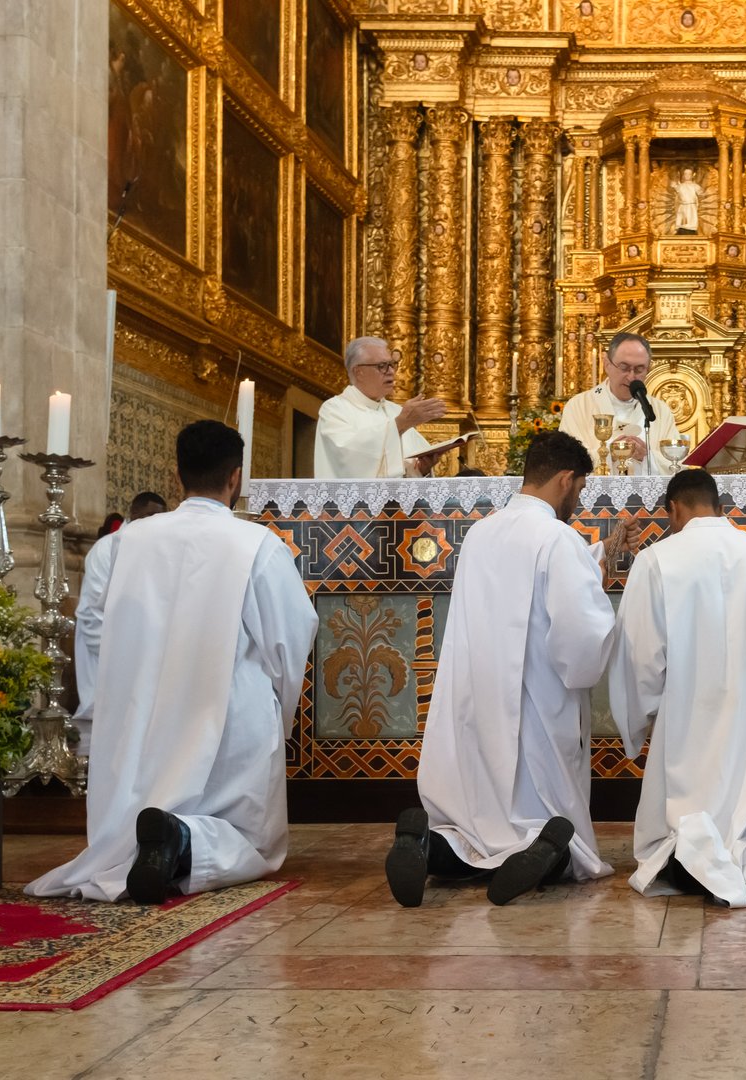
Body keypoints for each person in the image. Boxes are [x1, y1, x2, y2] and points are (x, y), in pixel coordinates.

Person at [28, 421, 317, 903]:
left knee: (134, 809)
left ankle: (153, 837)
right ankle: (183, 840)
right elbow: (289, 638)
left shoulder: (122, 543)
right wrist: (278, 715)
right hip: (226, 716)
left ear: (178, 472)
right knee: (256, 842)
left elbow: (93, 627)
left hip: (141, 714)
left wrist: (108, 705)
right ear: (236, 477)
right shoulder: (258, 546)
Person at [387, 431, 639, 907]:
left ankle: (431, 845)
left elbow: (528, 581)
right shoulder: (557, 538)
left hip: (476, 693)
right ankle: (546, 853)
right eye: (580, 490)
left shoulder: (482, 532)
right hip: (533, 699)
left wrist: (602, 553)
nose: (578, 503)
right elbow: (581, 632)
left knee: (476, 823)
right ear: (566, 479)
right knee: (543, 821)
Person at [608, 468, 746, 908]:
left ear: (674, 509)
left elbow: (642, 658)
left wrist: (636, 724)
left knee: (685, 805)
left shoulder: (657, 559)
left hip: (687, 719)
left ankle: (696, 858)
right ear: (720, 506)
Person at [73, 490, 170, 757]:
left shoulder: (160, 550)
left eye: (161, 519)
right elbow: (93, 617)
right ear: (134, 515)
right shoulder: (107, 550)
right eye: (150, 517)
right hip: (113, 669)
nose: (155, 524)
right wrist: (132, 665)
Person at [313, 336, 448, 477]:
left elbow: (410, 471)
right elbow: (348, 459)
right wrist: (399, 425)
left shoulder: (396, 411)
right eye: (382, 366)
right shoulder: (334, 410)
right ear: (358, 372)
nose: (391, 371)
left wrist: (422, 469)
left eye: (392, 364)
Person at [558, 332, 682, 475]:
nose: (631, 376)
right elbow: (565, 461)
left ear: (648, 369)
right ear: (607, 364)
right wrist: (610, 454)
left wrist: (647, 457)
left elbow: (676, 465)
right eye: (624, 367)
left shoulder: (660, 411)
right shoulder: (578, 406)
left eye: (639, 369)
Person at [670, 167, 703, 233]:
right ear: (683, 175)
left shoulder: (696, 186)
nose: (687, 176)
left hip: (691, 206)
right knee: (681, 222)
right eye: (685, 174)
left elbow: (701, 194)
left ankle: (691, 228)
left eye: (689, 174)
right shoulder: (680, 186)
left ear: (692, 175)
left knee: (692, 220)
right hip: (683, 206)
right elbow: (676, 188)